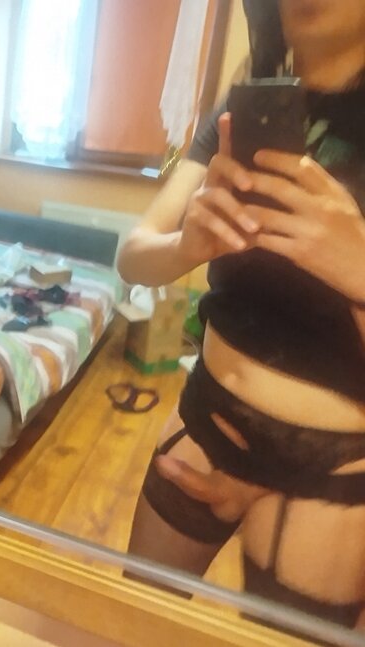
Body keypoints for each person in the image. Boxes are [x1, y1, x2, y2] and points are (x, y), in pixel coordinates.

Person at [117, 0, 365, 631]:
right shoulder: (242, 106)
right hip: (211, 422)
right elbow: (132, 257)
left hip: (338, 469)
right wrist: (186, 246)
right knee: (128, 627)